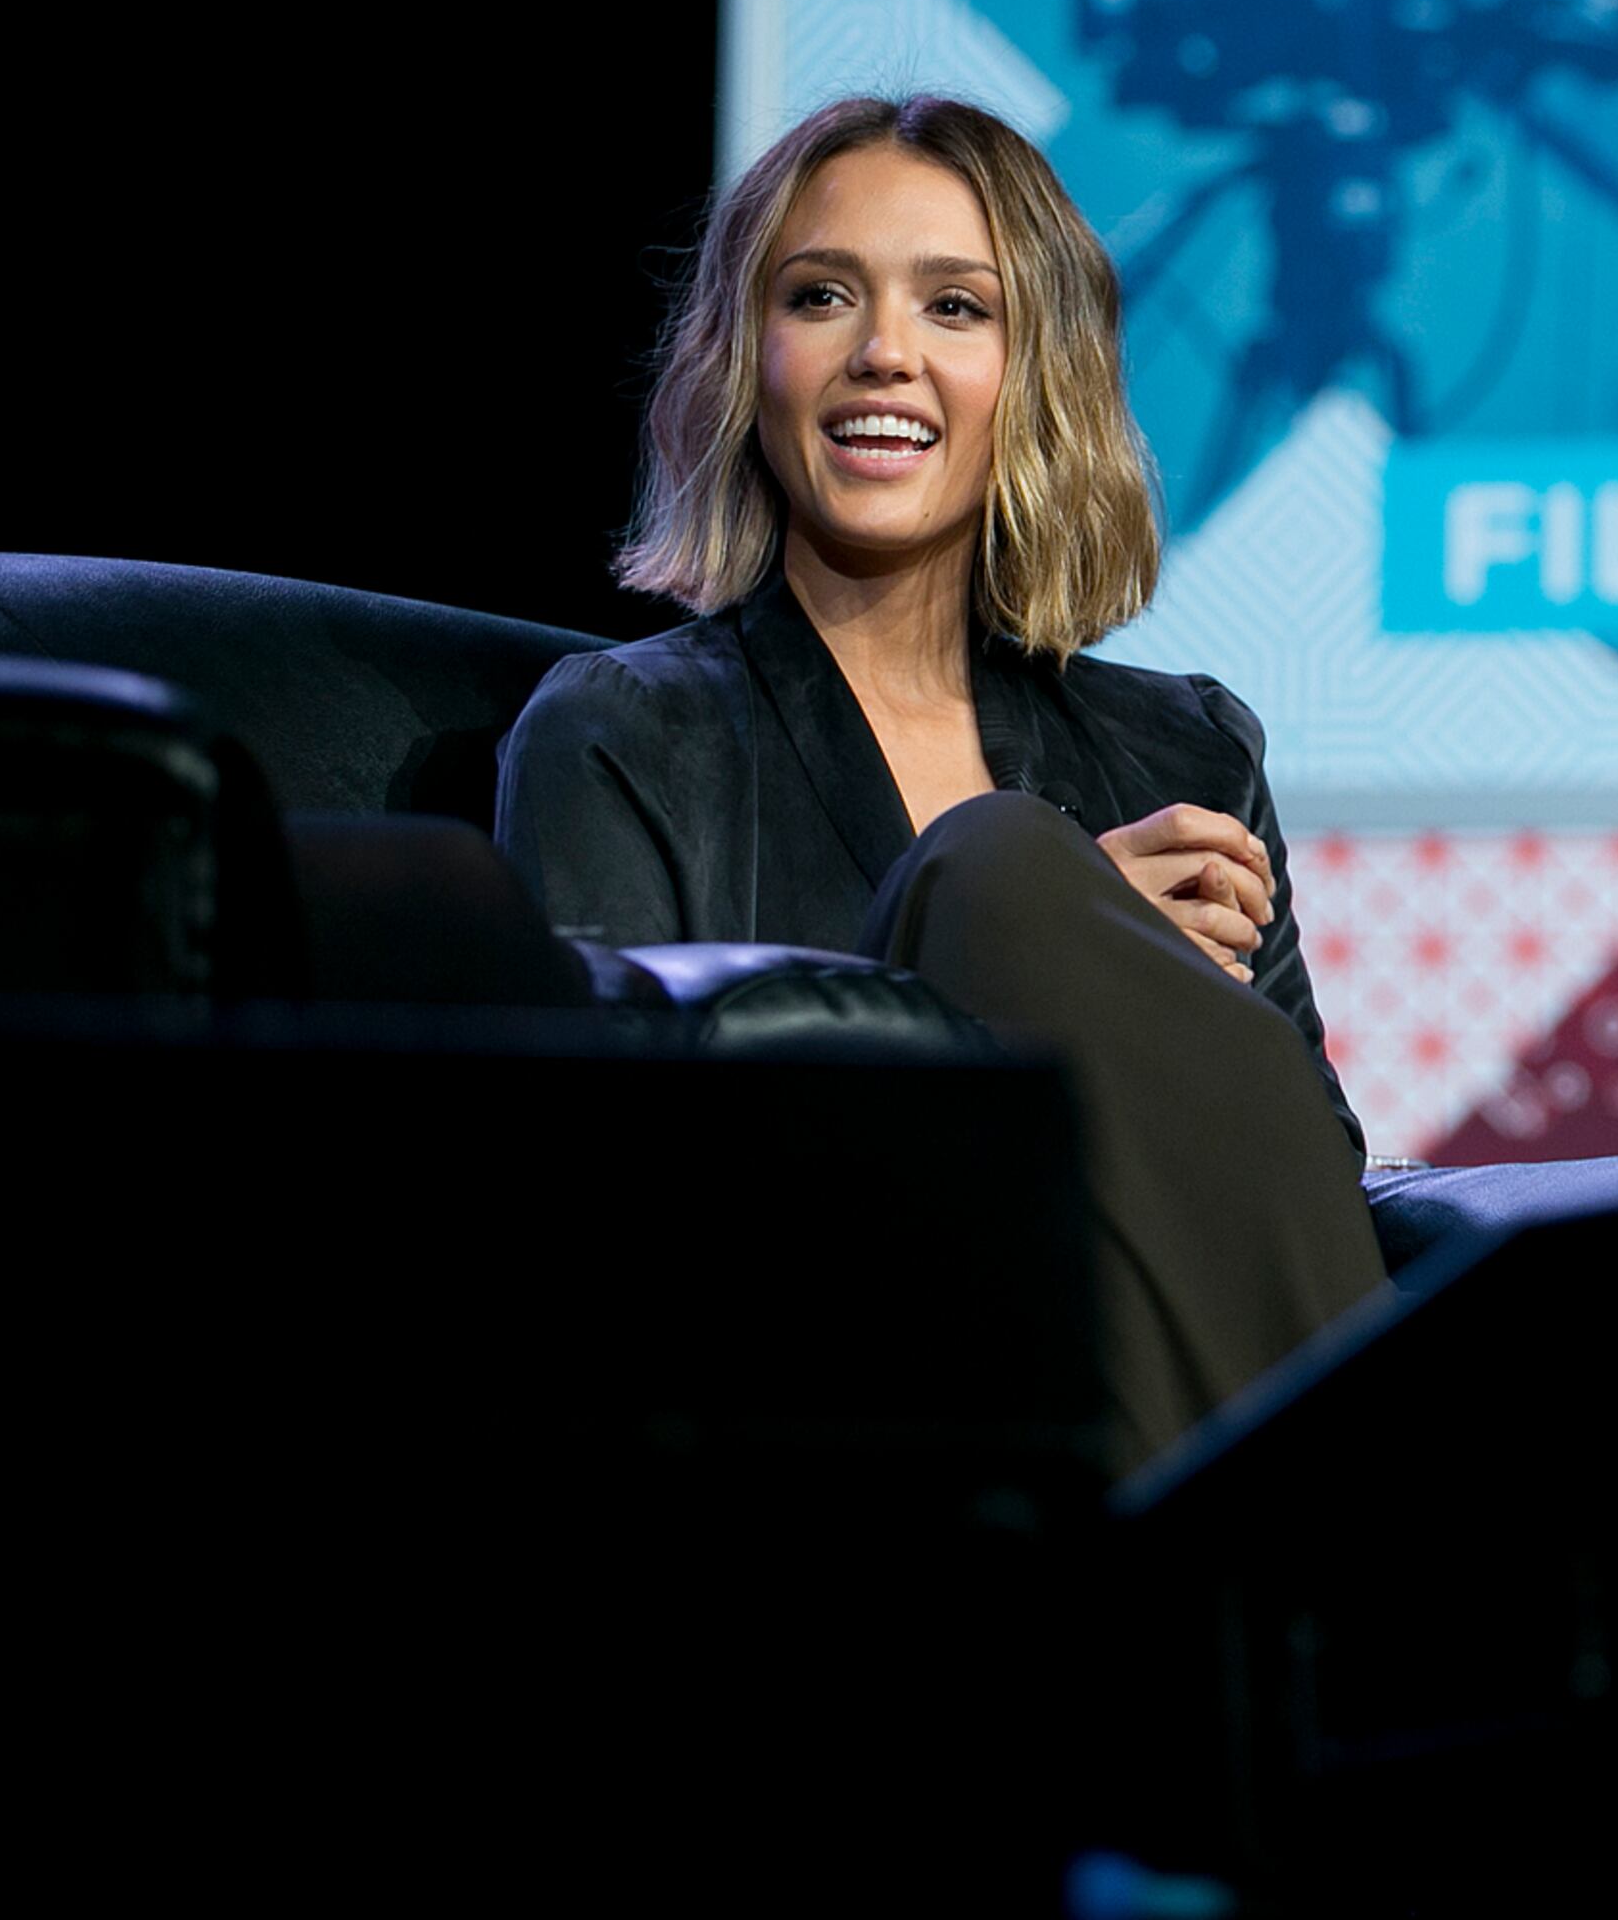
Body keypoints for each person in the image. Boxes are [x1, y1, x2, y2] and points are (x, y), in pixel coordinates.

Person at [498, 94, 1386, 1473]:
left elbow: (1304, 1180)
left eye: (956, 309)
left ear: (1038, 374)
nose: (884, 355)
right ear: (751, 362)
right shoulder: (623, 733)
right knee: (1001, 869)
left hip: (1176, 1412)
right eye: (821, 296)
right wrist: (1045, 934)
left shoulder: (1189, 751)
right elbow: (607, 1195)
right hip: (840, 1412)